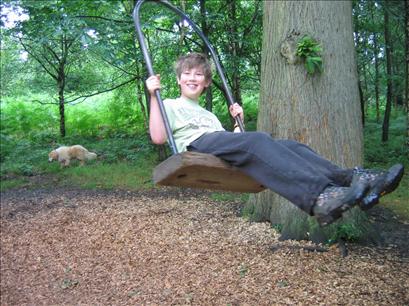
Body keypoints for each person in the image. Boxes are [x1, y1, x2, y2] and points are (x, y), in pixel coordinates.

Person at [146, 52, 404, 226]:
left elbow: (235, 144)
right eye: (188, 74)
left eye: (199, 75)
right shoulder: (167, 104)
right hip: (195, 144)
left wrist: (239, 122)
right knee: (258, 140)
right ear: (179, 79)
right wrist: (153, 96)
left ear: (206, 83)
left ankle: (352, 178)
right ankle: (319, 198)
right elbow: (158, 137)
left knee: (291, 146)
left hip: (214, 142)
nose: (193, 78)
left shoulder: (209, 115)